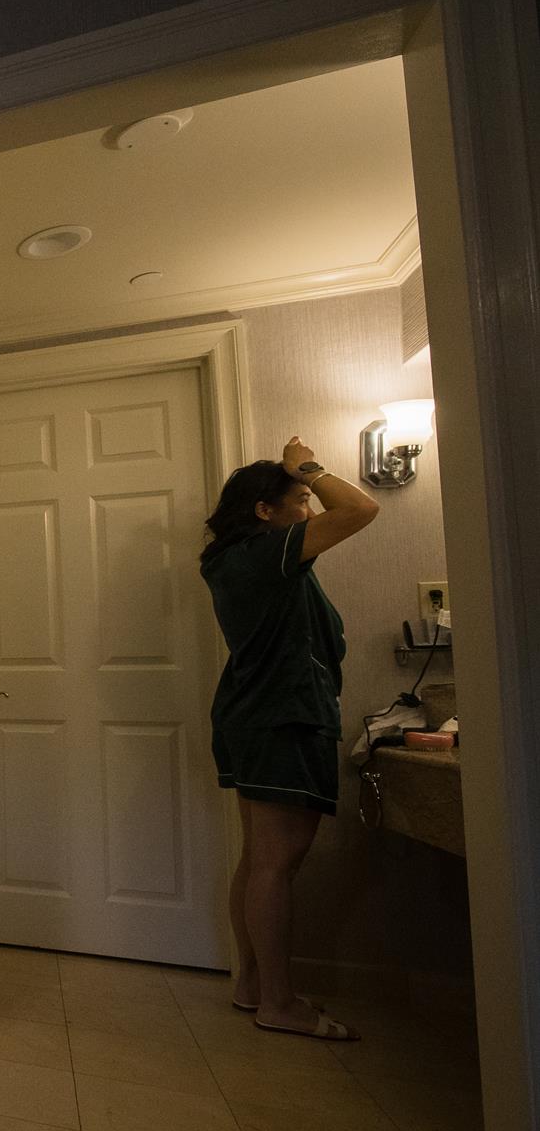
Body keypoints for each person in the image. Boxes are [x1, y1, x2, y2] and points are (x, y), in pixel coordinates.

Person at [202, 437, 378, 1040]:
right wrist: (306, 466)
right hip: (284, 718)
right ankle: (278, 1002)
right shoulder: (265, 554)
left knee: (260, 861)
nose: (309, 509)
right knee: (276, 865)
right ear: (265, 510)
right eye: (300, 500)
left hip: (257, 716)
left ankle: (254, 985)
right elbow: (359, 509)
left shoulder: (240, 559)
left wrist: (300, 482)